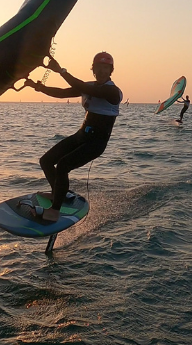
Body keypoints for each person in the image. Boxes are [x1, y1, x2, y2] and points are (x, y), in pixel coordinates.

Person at [23, 52, 122, 221]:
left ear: (111, 71)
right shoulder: (88, 86)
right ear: (93, 69)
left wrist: (61, 71)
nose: (101, 71)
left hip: (97, 142)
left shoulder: (113, 91)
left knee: (62, 166)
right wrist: (37, 87)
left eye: (105, 68)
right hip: (81, 135)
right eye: (98, 68)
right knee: (46, 161)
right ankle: (57, 194)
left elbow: (85, 88)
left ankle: (54, 211)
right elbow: (62, 93)